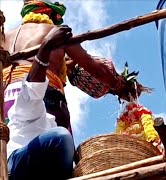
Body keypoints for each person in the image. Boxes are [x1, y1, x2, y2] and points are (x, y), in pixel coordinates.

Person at [2, 0, 143, 134]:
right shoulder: (55, 33)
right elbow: (93, 67)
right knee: (57, 148)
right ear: (49, 14)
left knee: (9, 147)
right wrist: (118, 85)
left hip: (6, 98)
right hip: (42, 94)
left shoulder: (5, 38)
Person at [7, 26, 74, 180]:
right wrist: (46, 46)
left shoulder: (52, 123)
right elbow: (32, 87)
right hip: (14, 166)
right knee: (60, 138)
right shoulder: (29, 109)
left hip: (39, 171)